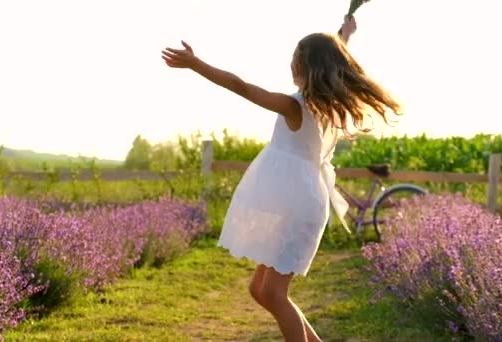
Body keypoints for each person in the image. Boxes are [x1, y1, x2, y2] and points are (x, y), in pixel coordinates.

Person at [162, 15, 401, 342]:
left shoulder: (295, 106)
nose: (291, 64)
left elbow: (243, 87)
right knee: (259, 290)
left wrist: (196, 64)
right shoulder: (324, 106)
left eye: (295, 59)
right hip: (296, 202)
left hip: (298, 206)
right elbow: (333, 54)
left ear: (307, 66)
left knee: (273, 294)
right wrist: (345, 34)